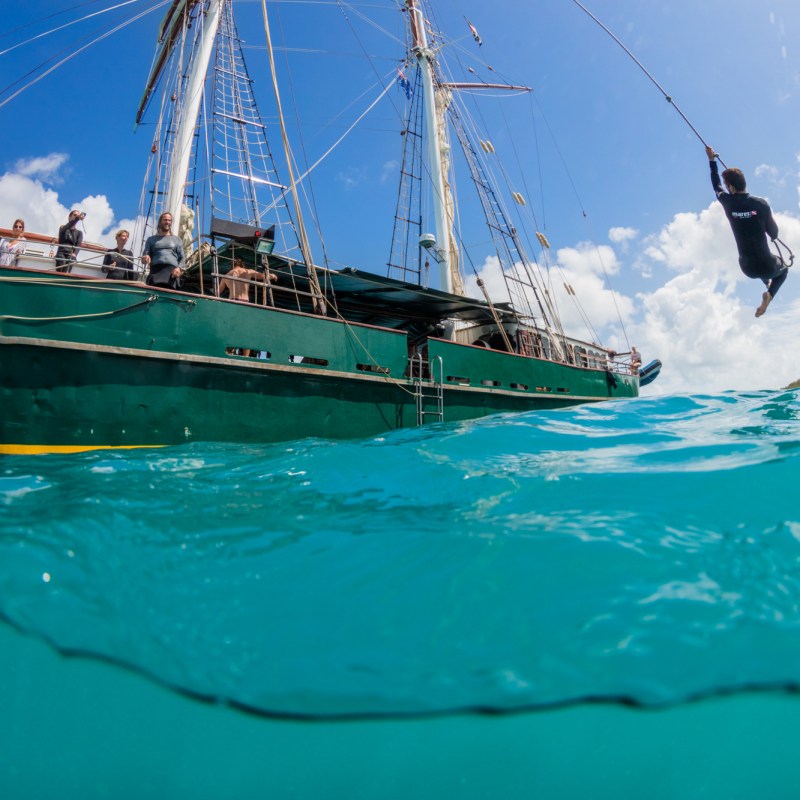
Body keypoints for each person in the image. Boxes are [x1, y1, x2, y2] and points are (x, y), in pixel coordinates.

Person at [705, 145, 788, 318]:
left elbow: (716, 185)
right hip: (767, 265)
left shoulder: (728, 203)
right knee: (784, 269)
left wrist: (712, 160)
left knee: (755, 263)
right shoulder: (761, 205)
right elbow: (774, 233)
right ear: (744, 183)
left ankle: (765, 282)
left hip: (747, 268)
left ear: (731, 188)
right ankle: (770, 294)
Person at [141, 212, 184, 289]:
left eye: (169, 220)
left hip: (171, 274)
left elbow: (182, 258)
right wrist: (145, 258)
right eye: (165, 220)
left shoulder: (177, 240)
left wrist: (179, 268)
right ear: (160, 222)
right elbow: (144, 259)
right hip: (155, 272)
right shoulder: (151, 240)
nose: (168, 222)